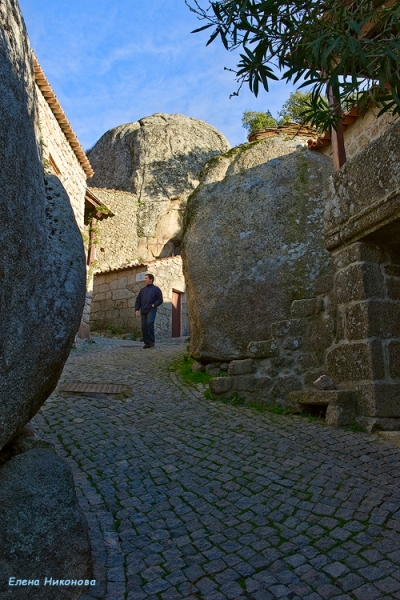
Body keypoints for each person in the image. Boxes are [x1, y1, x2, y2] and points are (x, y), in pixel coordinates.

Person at [135, 273, 163, 348]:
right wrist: (137, 309)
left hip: (151, 309)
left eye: (146, 278)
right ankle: (147, 343)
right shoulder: (142, 290)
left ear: (151, 279)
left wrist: (154, 304)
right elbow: (138, 300)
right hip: (143, 310)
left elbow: (160, 299)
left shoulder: (156, 289)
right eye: (145, 278)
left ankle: (152, 341)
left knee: (149, 323)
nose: (145, 280)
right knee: (143, 326)